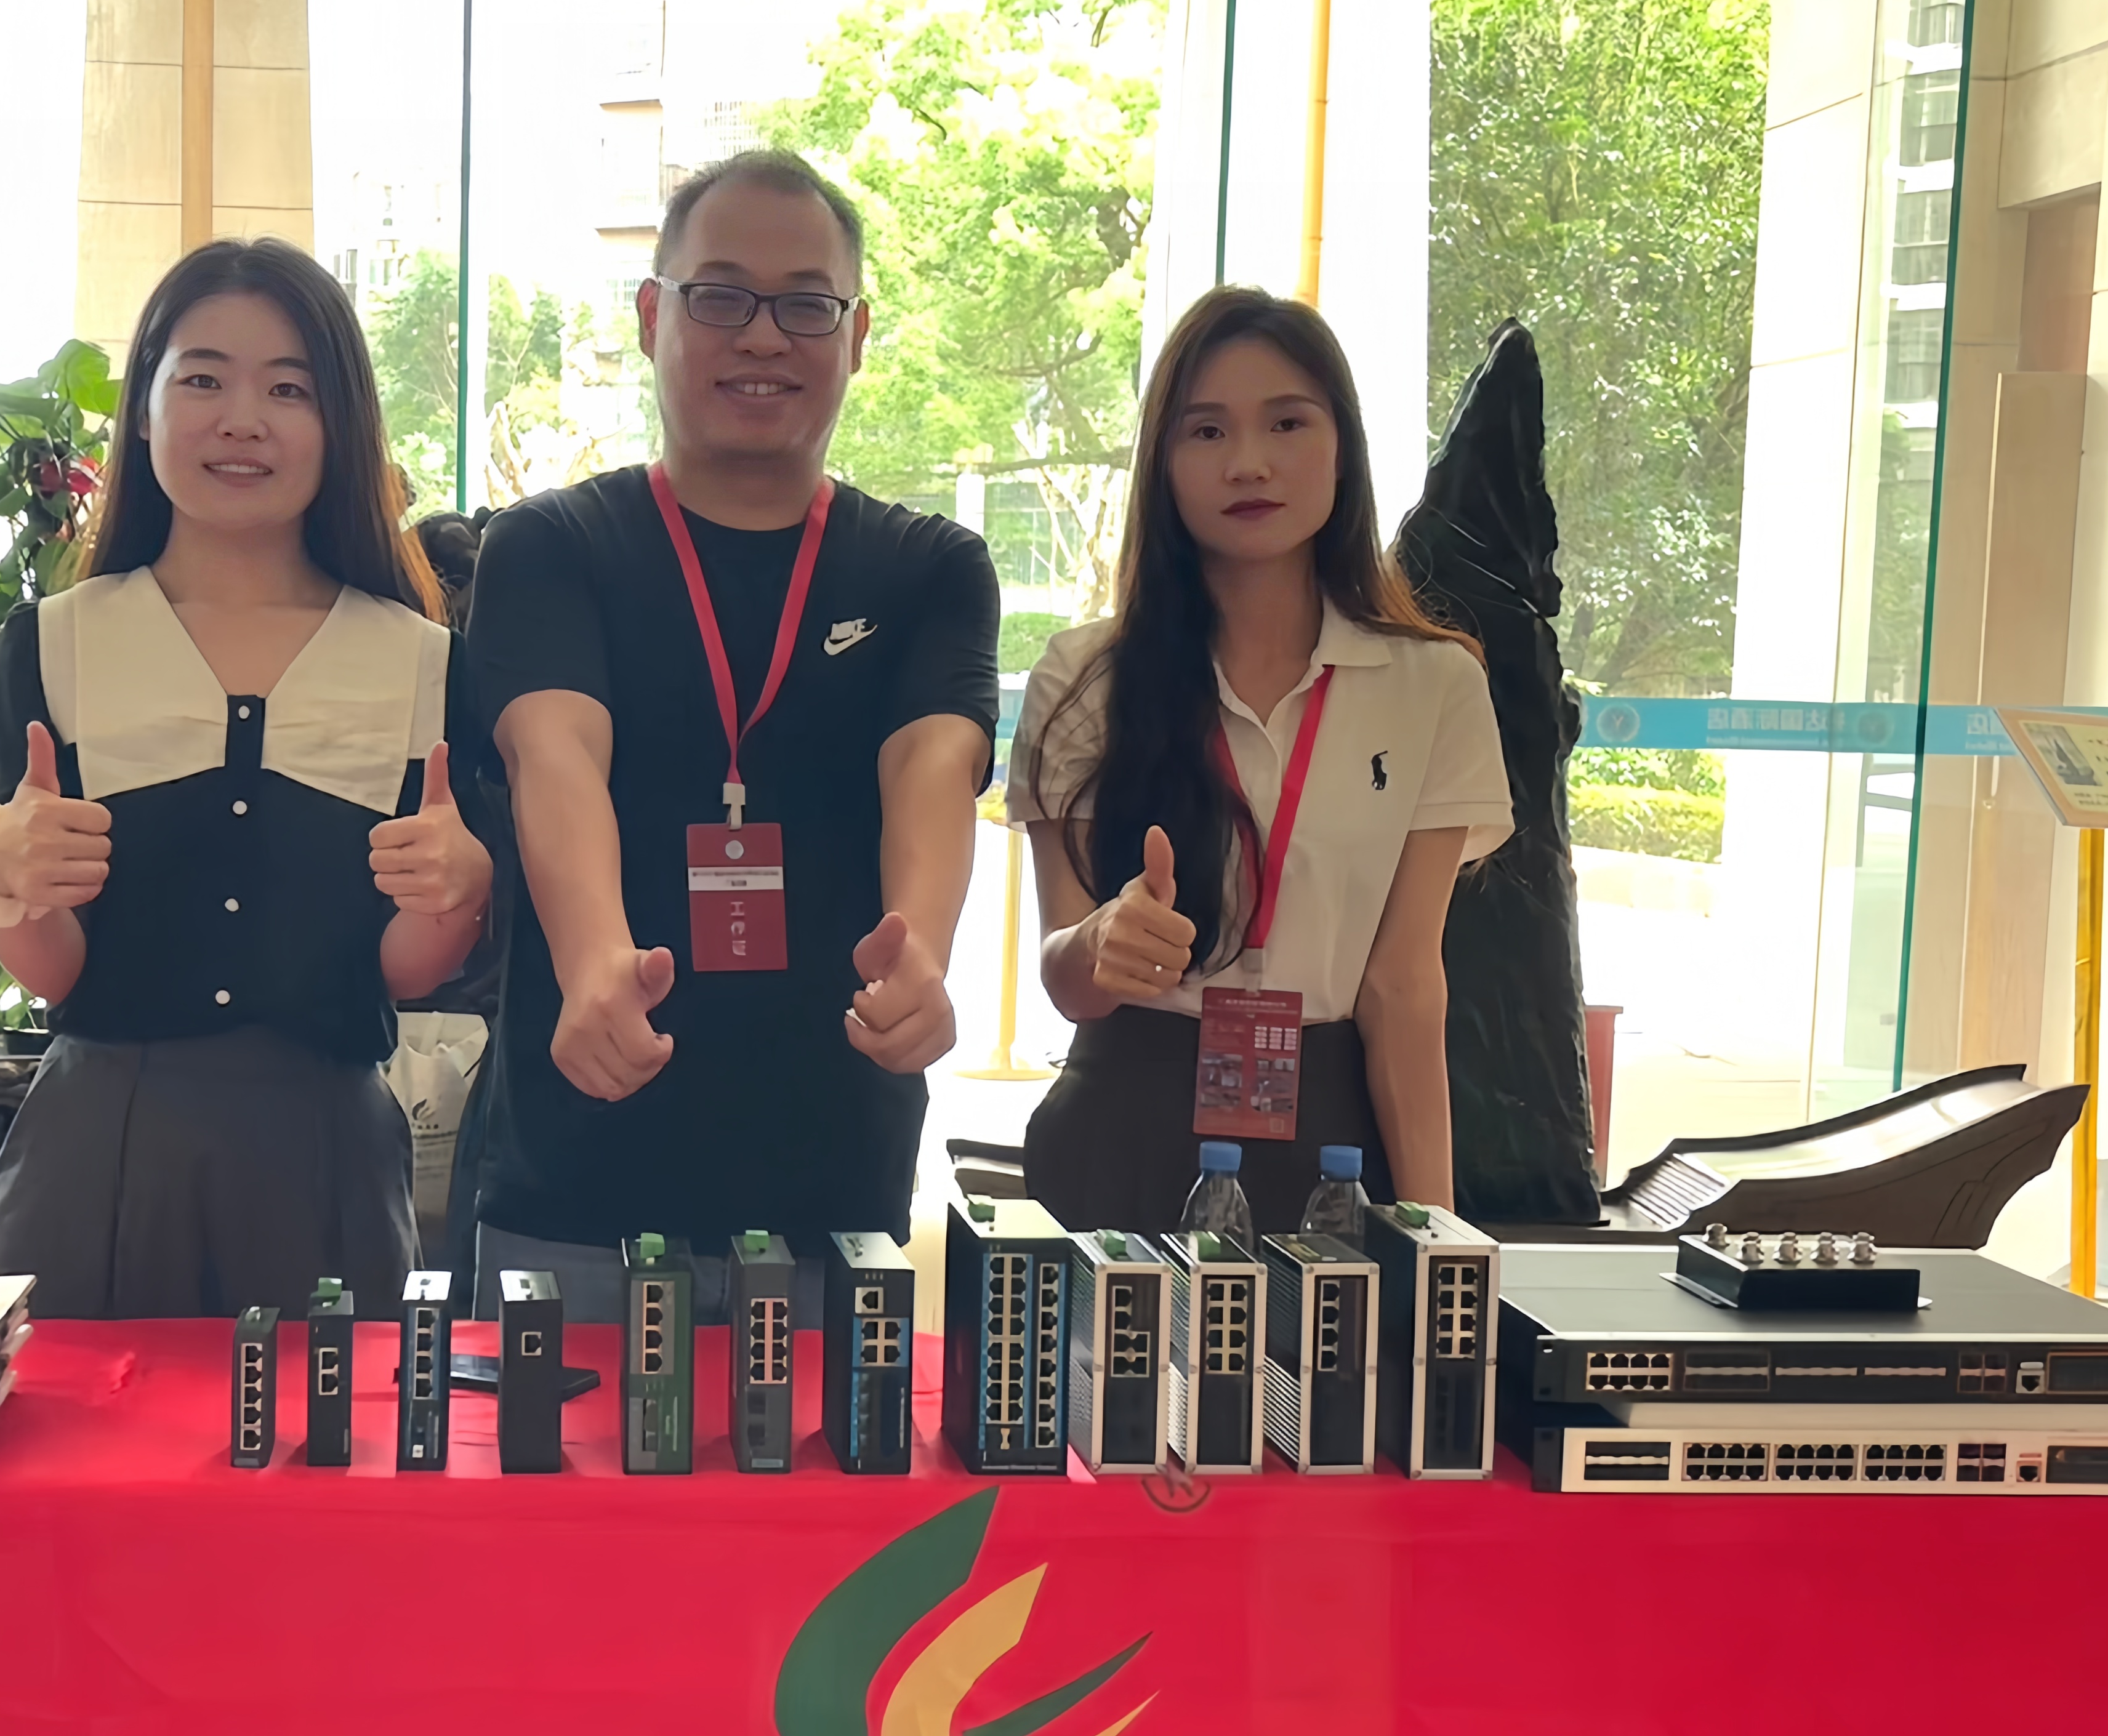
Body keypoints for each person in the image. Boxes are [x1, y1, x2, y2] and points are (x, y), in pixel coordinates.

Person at [464, 149, 999, 1323]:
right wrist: (596, 959)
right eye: (719, 297)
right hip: (577, 1184)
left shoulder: (927, 569)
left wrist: (920, 949)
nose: (762, 336)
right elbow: (556, 754)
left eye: (807, 305)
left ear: (858, 335)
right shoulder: (552, 548)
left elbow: (934, 764)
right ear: (652, 315)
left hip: (830, 1202)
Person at [0, 237, 491, 1319]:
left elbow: (402, 972)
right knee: (81, 1431)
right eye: (203, 379)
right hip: (97, 1148)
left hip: (327, 1152)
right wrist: (3, 876)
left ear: (340, 425)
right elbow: (59, 971)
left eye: (289, 389)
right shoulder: (53, 644)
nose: (243, 419)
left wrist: (459, 891)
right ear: (145, 410)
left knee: (321, 1426)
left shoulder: (422, 662)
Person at [1008, 286, 1511, 1236]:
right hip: (1126, 1119)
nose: (1248, 462)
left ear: (1343, 446)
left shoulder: (1434, 684)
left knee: (1332, 1343)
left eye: (1287, 423)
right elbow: (1064, 976)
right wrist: (1101, 943)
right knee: (1119, 1347)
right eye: (1206, 432)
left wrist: (1438, 1240)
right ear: (1163, 463)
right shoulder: (1083, 677)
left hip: (1333, 1146)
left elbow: (1404, 987)